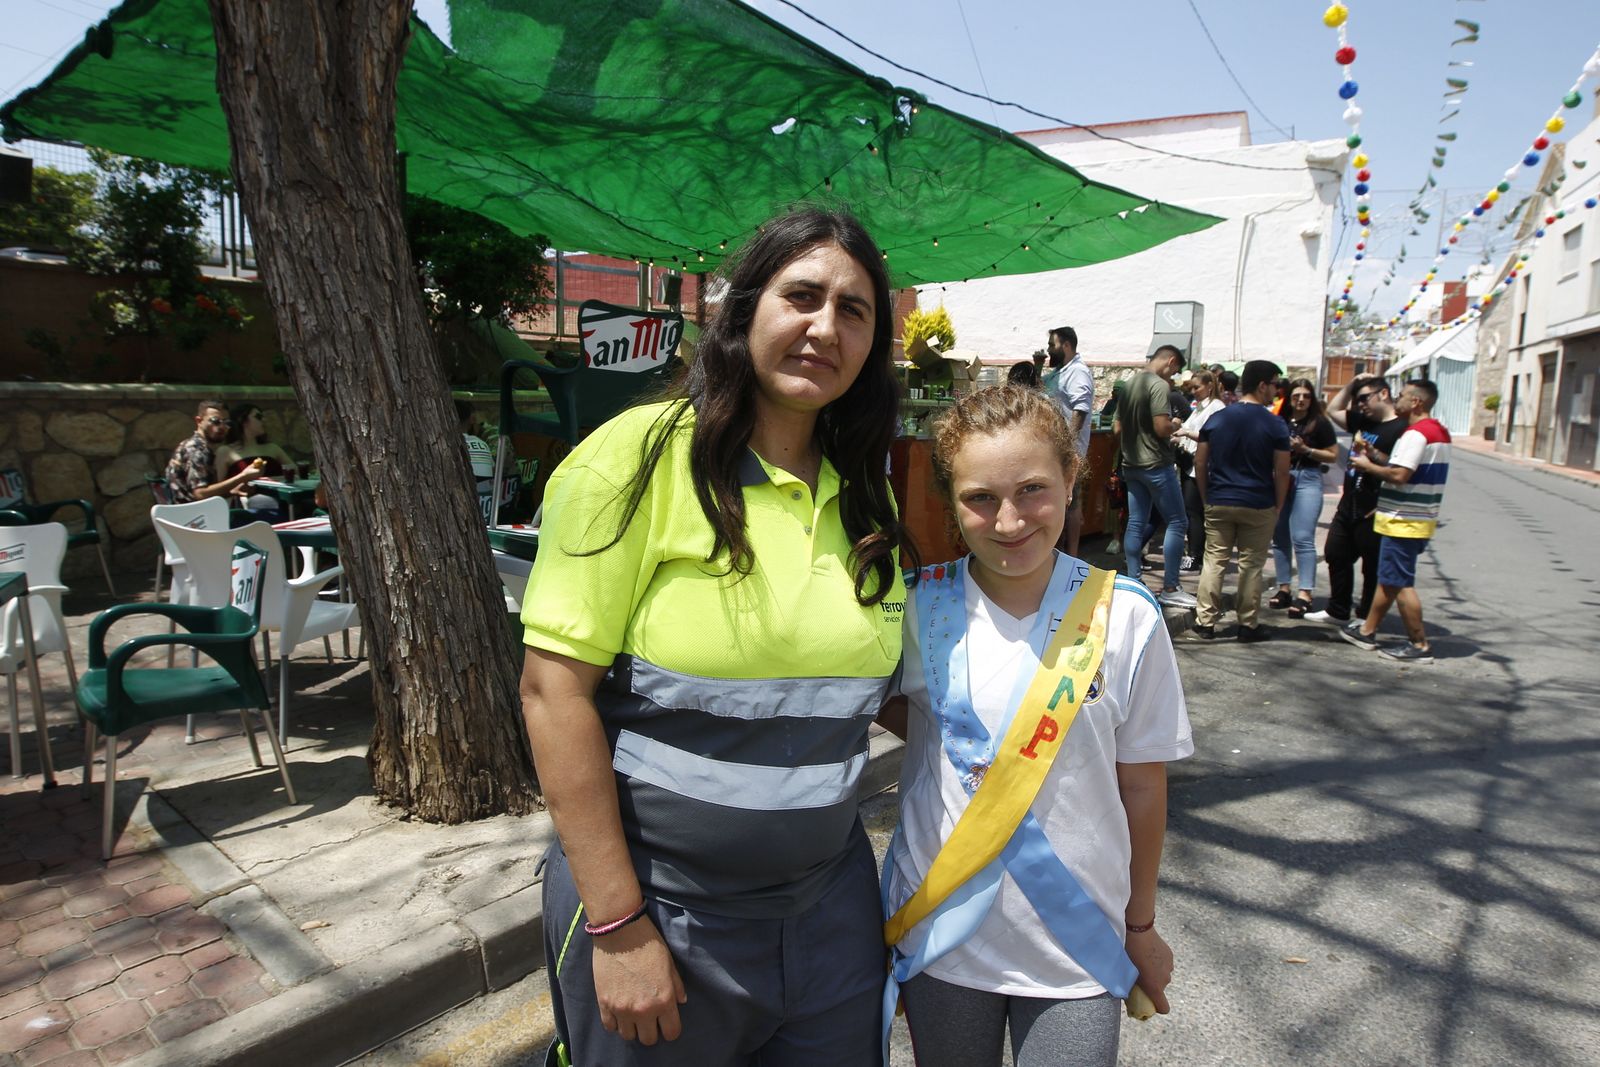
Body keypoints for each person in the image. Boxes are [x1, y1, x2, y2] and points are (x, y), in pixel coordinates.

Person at [516, 208, 911, 1067]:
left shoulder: (864, 494)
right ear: (742, 313)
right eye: (801, 295)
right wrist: (619, 927)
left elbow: (873, 696)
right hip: (663, 912)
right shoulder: (636, 458)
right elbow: (554, 693)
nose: (823, 326)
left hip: (831, 917)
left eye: (854, 310)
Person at [880, 384, 1190, 1067]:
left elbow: (1141, 784)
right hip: (944, 933)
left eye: (1032, 489)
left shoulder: (1127, 615)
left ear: (1073, 476)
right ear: (949, 499)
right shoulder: (914, 606)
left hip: (1076, 940)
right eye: (980, 498)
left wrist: (1141, 923)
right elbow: (897, 712)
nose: (1010, 520)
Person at [1340, 379, 1451, 662]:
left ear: (1416, 402)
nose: (1397, 401)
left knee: (1399, 581)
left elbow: (1400, 475)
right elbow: (1403, 467)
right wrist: (1374, 455)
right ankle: (1367, 630)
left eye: (1401, 396)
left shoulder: (1416, 434)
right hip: (1414, 517)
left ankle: (1419, 644)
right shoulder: (1437, 432)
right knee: (1389, 580)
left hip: (1405, 519)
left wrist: (1366, 466)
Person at [1192, 360, 1291, 641]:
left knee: (1214, 561)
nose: (1276, 390)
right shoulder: (1274, 424)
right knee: (1251, 565)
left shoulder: (1219, 417)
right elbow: (1282, 470)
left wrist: (1205, 495)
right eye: (1274, 384)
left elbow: (1201, 462)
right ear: (1262, 385)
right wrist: (1279, 504)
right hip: (1258, 501)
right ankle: (1247, 625)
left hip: (1219, 499)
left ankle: (1205, 623)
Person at [1307, 375, 1406, 629]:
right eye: (1357, 399)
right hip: (1349, 502)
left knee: (1371, 566)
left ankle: (1366, 616)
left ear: (1383, 394)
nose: (1359, 404)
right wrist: (1350, 385)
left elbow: (1399, 469)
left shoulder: (1400, 429)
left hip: (1375, 506)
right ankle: (1338, 609)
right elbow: (1333, 409)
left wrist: (1370, 461)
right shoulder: (1363, 421)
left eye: (1364, 398)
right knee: (1335, 553)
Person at [1115, 345, 1194, 609]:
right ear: (1170, 361)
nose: (1175, 374)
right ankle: (1171, 587)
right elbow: (1162, 427)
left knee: (1136, 523)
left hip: (1132, 465)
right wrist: (1176, 424)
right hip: (1157, 465)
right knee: (1177, 522)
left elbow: (1117, 427)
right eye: (1176, 369)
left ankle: (1133, 581)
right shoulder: (1158, 386)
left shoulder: (1129, 384)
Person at [1267, 380, 1338, 618]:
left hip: (1308, 477)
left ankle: (1305, 593)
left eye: (1306, 396)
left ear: (1312, 398)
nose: (1301, 400)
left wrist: (1306, 449)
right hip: (1281, 477)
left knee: (1303, 537)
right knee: (1279, 537)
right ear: (1289, 398)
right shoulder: (1280, 421)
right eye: (1297, 395)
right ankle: (1284, 588)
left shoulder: (1320, 424)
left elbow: (1332, 455)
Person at [1046, 325, 1095, 557]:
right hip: (1054, 449)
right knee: (1060, 501)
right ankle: (1058, 551)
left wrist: (1068, 443)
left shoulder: (1078, 372)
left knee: (1071, 502)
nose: (1048, 350)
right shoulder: (1062, 371)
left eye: (1051, 345)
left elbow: (1081, 409)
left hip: (1070, 451)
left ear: (1065, 345)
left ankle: (1072, 555)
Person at [164, 399, 266, 505]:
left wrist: (230, 492)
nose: (222, 427)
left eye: (226, 422)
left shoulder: (197, 445)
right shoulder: (196, 449)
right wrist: (243, 476)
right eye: (215, 421)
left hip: (196, 513)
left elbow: (202, 493)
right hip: (194, 518)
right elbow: (200, 494)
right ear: (199, 421)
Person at [1172, 370, 1225, 573]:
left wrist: (1186, 432)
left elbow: (1212, 436)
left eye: (1197, 387)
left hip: (1203, 467)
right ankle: (1195, 552)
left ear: (1209, 386)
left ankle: (1196, 555)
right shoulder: (1198, 408)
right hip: (1190, 465)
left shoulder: (1216, 407)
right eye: (1191, 388)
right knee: (1192, 511)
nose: (1193, 391)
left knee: (1197, 512)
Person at [214, 403, 301, 522]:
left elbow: (294, 471)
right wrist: (235, 488)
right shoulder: (226, 451)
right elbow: (219, 489)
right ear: (243, 420)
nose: (263, 420)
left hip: (281, 499)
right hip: (249, 505)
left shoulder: (272, 448)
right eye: (258, 417)